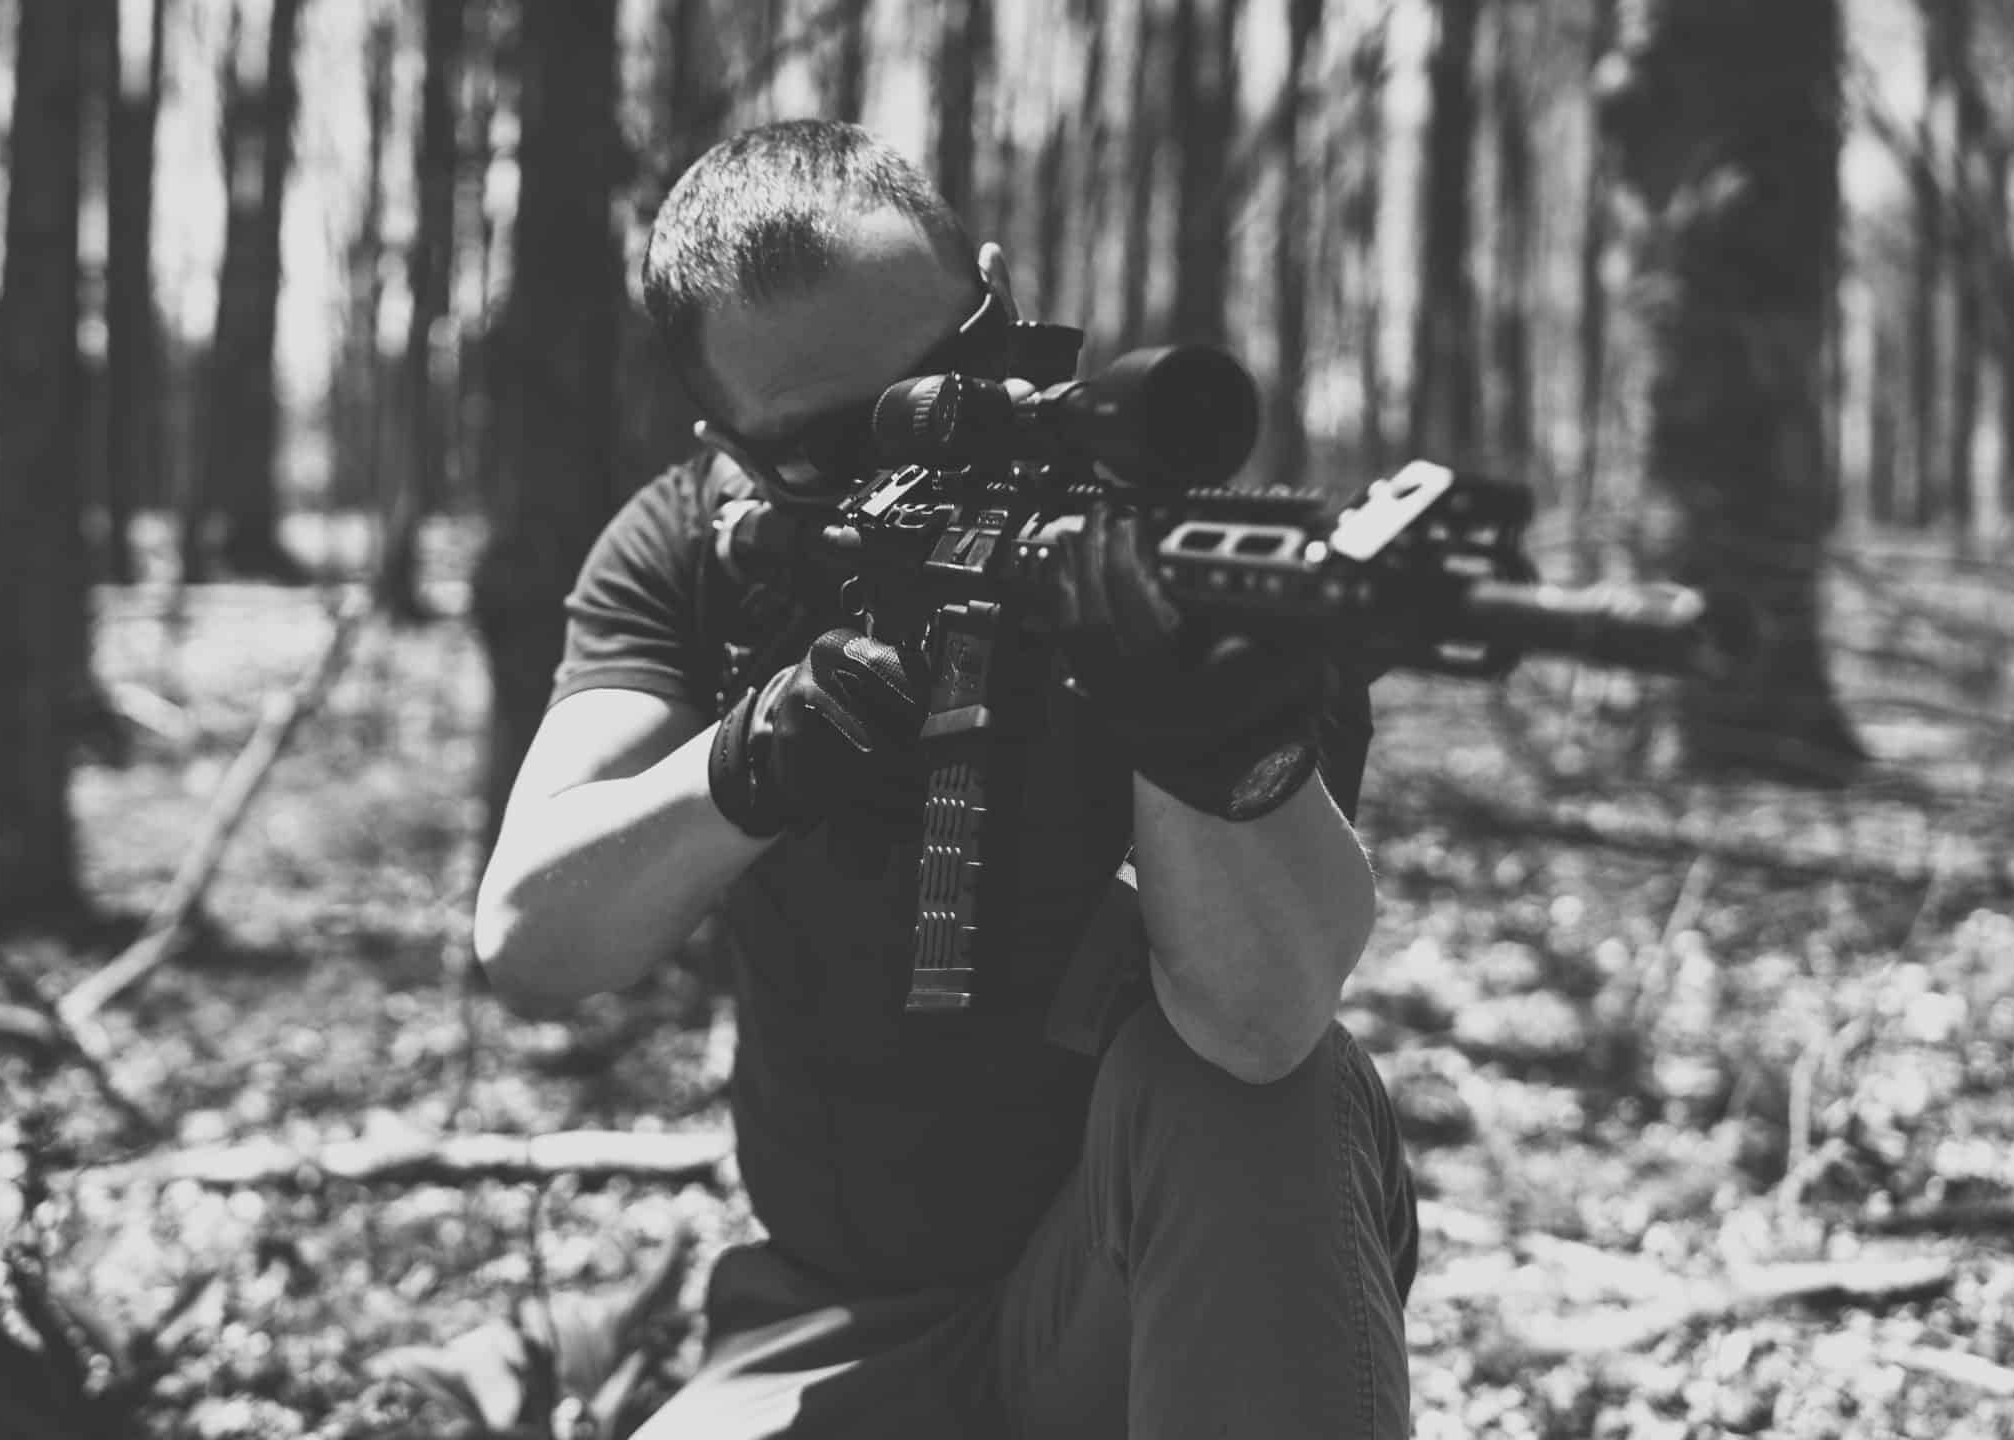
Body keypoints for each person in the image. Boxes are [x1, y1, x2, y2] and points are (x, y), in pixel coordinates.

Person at [473, 120, 1419, 1440]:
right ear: (734, 450)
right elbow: (531, 936)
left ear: (1000, 297)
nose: (924, 448)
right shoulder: (700, 552)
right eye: (836, 445)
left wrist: (1184, 723)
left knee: (1259, 1100)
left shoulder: (1177, 559)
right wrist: (764, 750)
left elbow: (1265, 1024)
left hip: (1138, 1302)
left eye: (952, 376)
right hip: (831, 1327)